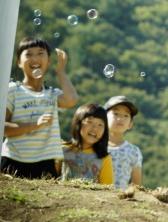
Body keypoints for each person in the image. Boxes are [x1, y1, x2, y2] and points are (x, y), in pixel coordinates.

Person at [2, 37, 78, 178]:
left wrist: (61, 71)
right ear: (19, 62)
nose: (35, 58)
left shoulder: (52, 94)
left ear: (49, 60)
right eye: (29, 54)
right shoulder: (13, 90)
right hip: (13, 161)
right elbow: (3, 128)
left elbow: (71, 99)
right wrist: (34, 125)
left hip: (45, 162)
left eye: (40, 53)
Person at [58, 103, 113, 185]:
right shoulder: (62, 150)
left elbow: (107, 188)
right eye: (90, 122)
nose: (94, 128)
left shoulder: (104, 158)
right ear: (78, 123)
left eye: (100, 125)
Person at [104, 95, 142, 189]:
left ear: (130, 124)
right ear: (104, 118)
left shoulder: (133, 151)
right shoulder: (94, 145)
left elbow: (136, 185)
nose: (120, 118)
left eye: (126, 115)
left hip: (119, 201)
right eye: (116, 114)